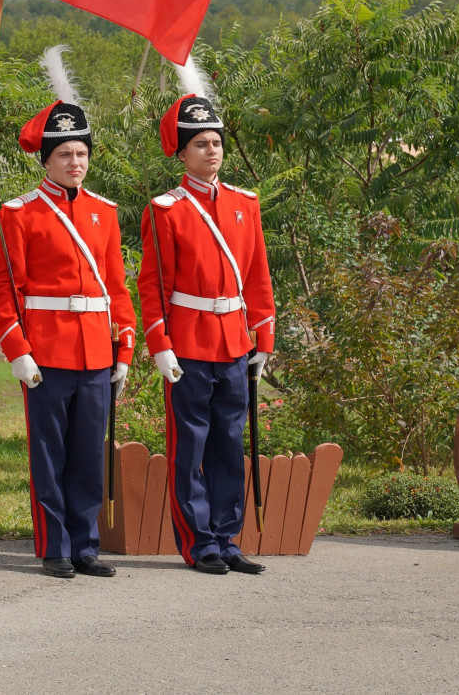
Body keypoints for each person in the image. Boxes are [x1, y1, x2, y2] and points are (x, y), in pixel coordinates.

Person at [0, 46, 137, 579]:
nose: (75, 163)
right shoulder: (18, 215)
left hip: (96, 348)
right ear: (45, 159)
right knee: (49, 455)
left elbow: (117, 288)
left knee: (87, 454)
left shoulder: (104, 214)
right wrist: (17, 351)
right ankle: (55, 547)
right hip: (46, 351)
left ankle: (86, 544)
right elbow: (3, 288)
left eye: (81, 154)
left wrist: (124, 347)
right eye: (65, 155)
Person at [137, 57, 274, 576]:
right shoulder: (165, 209)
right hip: (189, 342)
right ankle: (199, 544)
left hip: (235, 340)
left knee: (227, 444)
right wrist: (161, 344)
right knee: (189, 446)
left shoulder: (245, 203)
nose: (212, 150)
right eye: (201, 143)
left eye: (216, 141)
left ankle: (228, 537)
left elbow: (258, 275)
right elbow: (152, 284)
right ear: (183, 151)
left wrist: (264, 337)